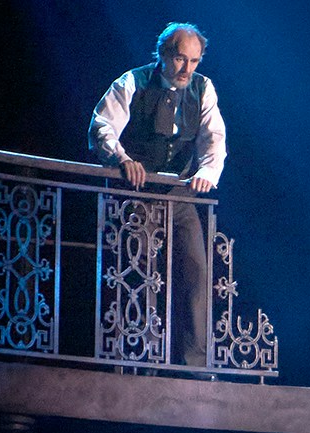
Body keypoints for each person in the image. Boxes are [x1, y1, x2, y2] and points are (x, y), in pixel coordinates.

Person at [89, 22, 226, 369]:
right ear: (163, 54)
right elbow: (102, 126)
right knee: (140, 274)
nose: (187, 68)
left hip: (178, 196)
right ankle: (137, 359)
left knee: (196, 272)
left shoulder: (203, 88)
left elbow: (214, 139)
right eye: (180, 59)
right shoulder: (133, 82)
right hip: (136, 195)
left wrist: (207, 173)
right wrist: (122, 159)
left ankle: (194, 365)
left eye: (194, 61)